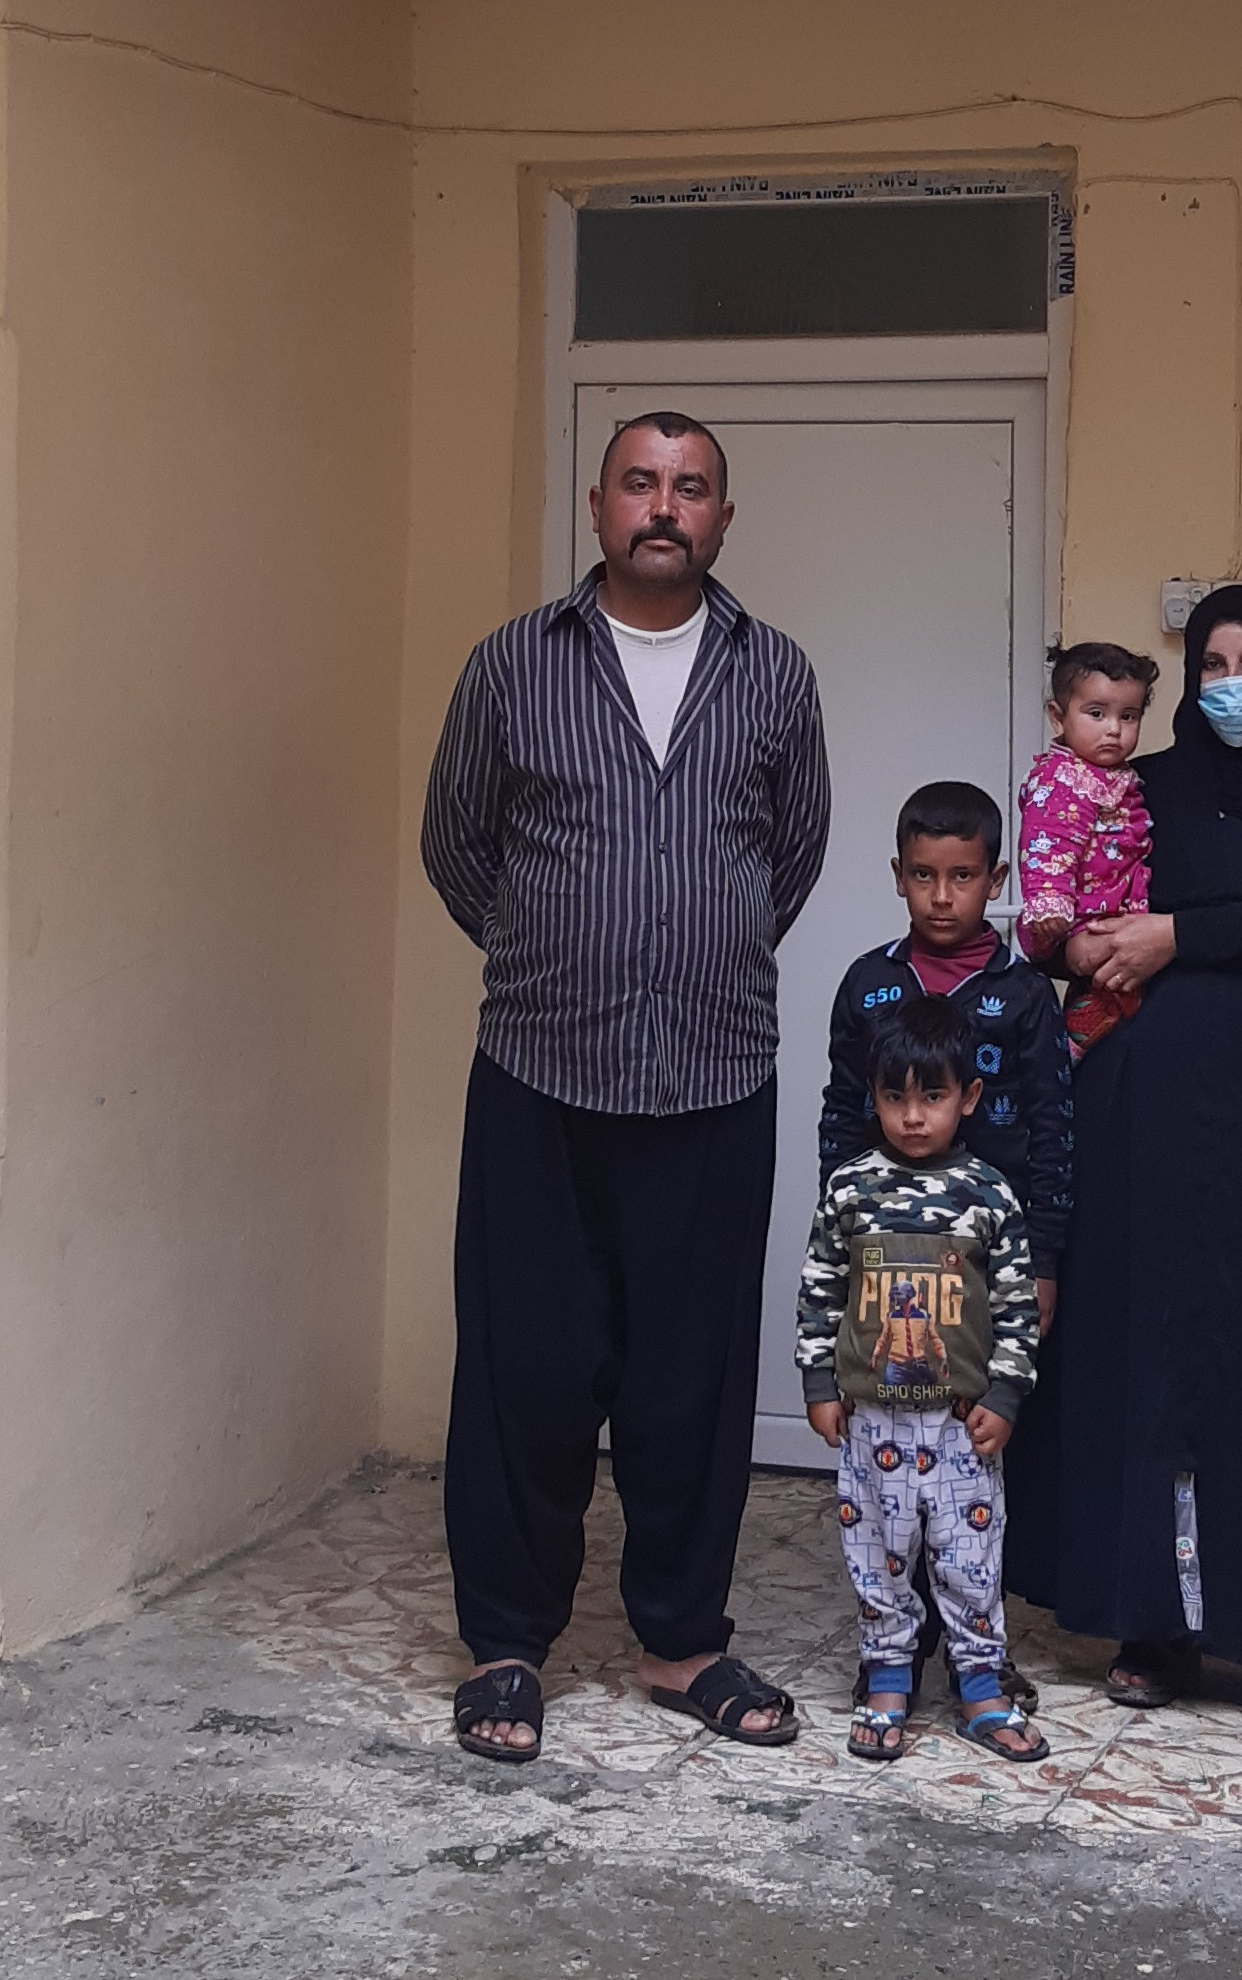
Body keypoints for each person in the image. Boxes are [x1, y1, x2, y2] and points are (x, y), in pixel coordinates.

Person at [422, 410, 830, 1763]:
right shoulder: (508, 667)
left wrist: (685, 958)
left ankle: (680, 1640)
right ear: (596, 505)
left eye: (692, 487)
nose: (665, 506)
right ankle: (503, 1644)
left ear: (724, 516)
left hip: (714, 1076)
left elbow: (791, 853)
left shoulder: (773, 674)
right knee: (524, 1367)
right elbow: (457, 845)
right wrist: (563, 954)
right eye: (641, 482)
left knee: (687, 1378)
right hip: (539, 1068)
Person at [1003, 584, 1242, 1719]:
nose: (1229, 684)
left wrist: (1181, 934)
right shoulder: (1146, 785)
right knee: (1150, 1353)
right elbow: (1070, 894)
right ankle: (1152, 1627)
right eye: (1209, 663)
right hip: (1143, 1105)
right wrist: (1082, 940)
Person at [818, 780, 1073, 1711]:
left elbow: (1054, 1129)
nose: (940, 895)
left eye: (962, 877)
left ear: (995, 878)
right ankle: (894, 1642)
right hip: (886, 1267)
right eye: (922, 875)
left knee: (977, 1458)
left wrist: (1042, 1258)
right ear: (897, 876)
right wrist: (842, 1244)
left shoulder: (1021, 993)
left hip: (986, 1267)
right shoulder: (869, 985)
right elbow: (842, 1114)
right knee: (890, 1458)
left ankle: (979, 1647)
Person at [798, 996, 1049, 1766]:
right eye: (895, 1097)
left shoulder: (988, 1196)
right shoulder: (850, 1190)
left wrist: (1005, 1396)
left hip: (958, 1426)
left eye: (932, 1096)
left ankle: (978, 1682)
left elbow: (1015, 1307)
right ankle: (887, 1677)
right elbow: (819, 1290)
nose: (912, 1117)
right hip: (872, 1422)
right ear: (873, 1096)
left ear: (967, 1098)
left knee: (971, 1560)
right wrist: (818, 1384)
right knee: (877, 1555)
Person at [1015, 642, 1159, 1061]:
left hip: (1115, 909)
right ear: (1058, 717)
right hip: (1075, 918)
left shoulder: (1113, 776)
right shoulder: (1062, 780)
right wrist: (1049, 905)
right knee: (1102, 966)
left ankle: (1085, 1032)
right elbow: (1048, 843)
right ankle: (1066, 1050)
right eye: (1097, 714)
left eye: (1127, 716)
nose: (1113, 728)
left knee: (1124, 984)